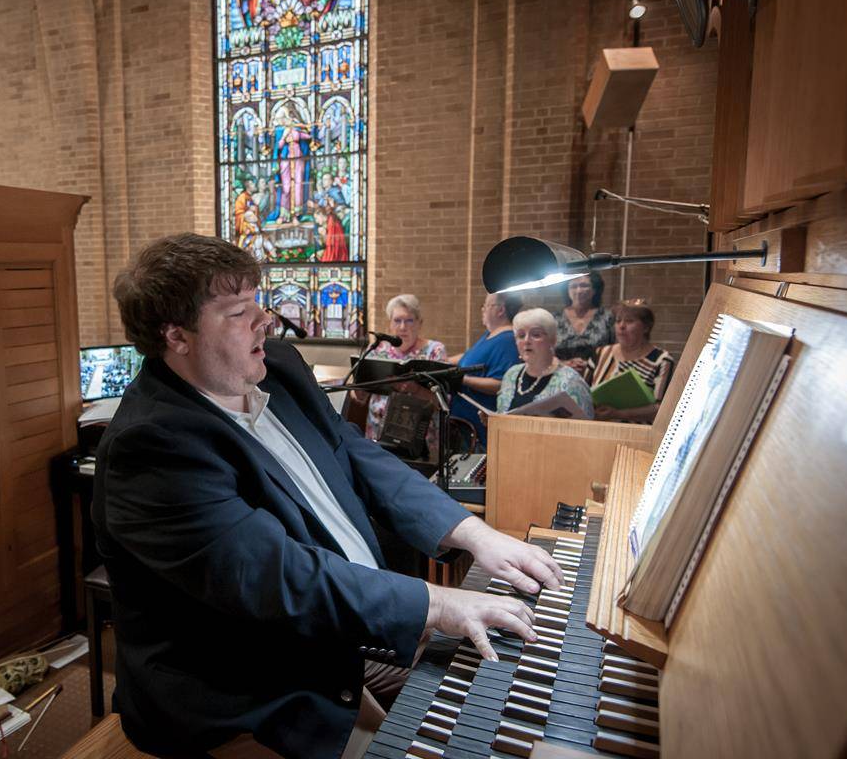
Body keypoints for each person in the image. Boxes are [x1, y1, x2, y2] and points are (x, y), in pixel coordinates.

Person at [94, 234, 562, 758]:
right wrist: (437, 602)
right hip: (250, 692)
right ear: (175, 336)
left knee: (522, 691)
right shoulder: (152, 448)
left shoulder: (279, 365)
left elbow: (356, 455)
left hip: (343, 636)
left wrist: (476, 535)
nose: (265, 319)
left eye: (259, 300)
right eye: (238, 311)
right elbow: (280, 576)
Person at [359, 294, 447, 458]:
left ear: (420, 323)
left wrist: (415, 389)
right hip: (378, 438)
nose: (402, 327)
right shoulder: (377, 350)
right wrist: (361, 386)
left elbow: (442, 403)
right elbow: (357, 396)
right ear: (389, 324)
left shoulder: (434, 351)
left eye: (409, 321)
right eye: (397, 321)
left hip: (421, 443)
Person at [447, 292, 522, 448]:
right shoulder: (490, 334)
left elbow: (501, 384)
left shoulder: (507, 340)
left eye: (486, 305)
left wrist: (461, 379)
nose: (482, 310)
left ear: (500, 310)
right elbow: (468, 357)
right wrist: (440, 362)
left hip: (478, 428)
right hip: (463, 423)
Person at [588, 300, 676, 424]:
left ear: (646, 327)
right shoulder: (600, 353)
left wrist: (618, 414)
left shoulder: (662, 360)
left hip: (639, 435)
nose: (621, 326)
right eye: (618, 321)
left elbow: (661, 409)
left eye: (629, 321)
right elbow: (584, 394)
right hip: (599, 431)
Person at [498, 308, 594, 418]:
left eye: (535, 335)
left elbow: (584, 428)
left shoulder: (571, 381)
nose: (526, 341)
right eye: (521, 335)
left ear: (552, 340)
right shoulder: (511, 374)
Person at [555, 271, 613, 375]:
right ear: (567, 290)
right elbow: (544, 352)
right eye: (573, 286)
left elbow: (615, 350)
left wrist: (590, 364)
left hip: (597, 376)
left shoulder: (607, 317)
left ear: (595, 289)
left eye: (584, 285)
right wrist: (564, 364)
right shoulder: (554, 319)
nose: (578, 290)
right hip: (560, 376)